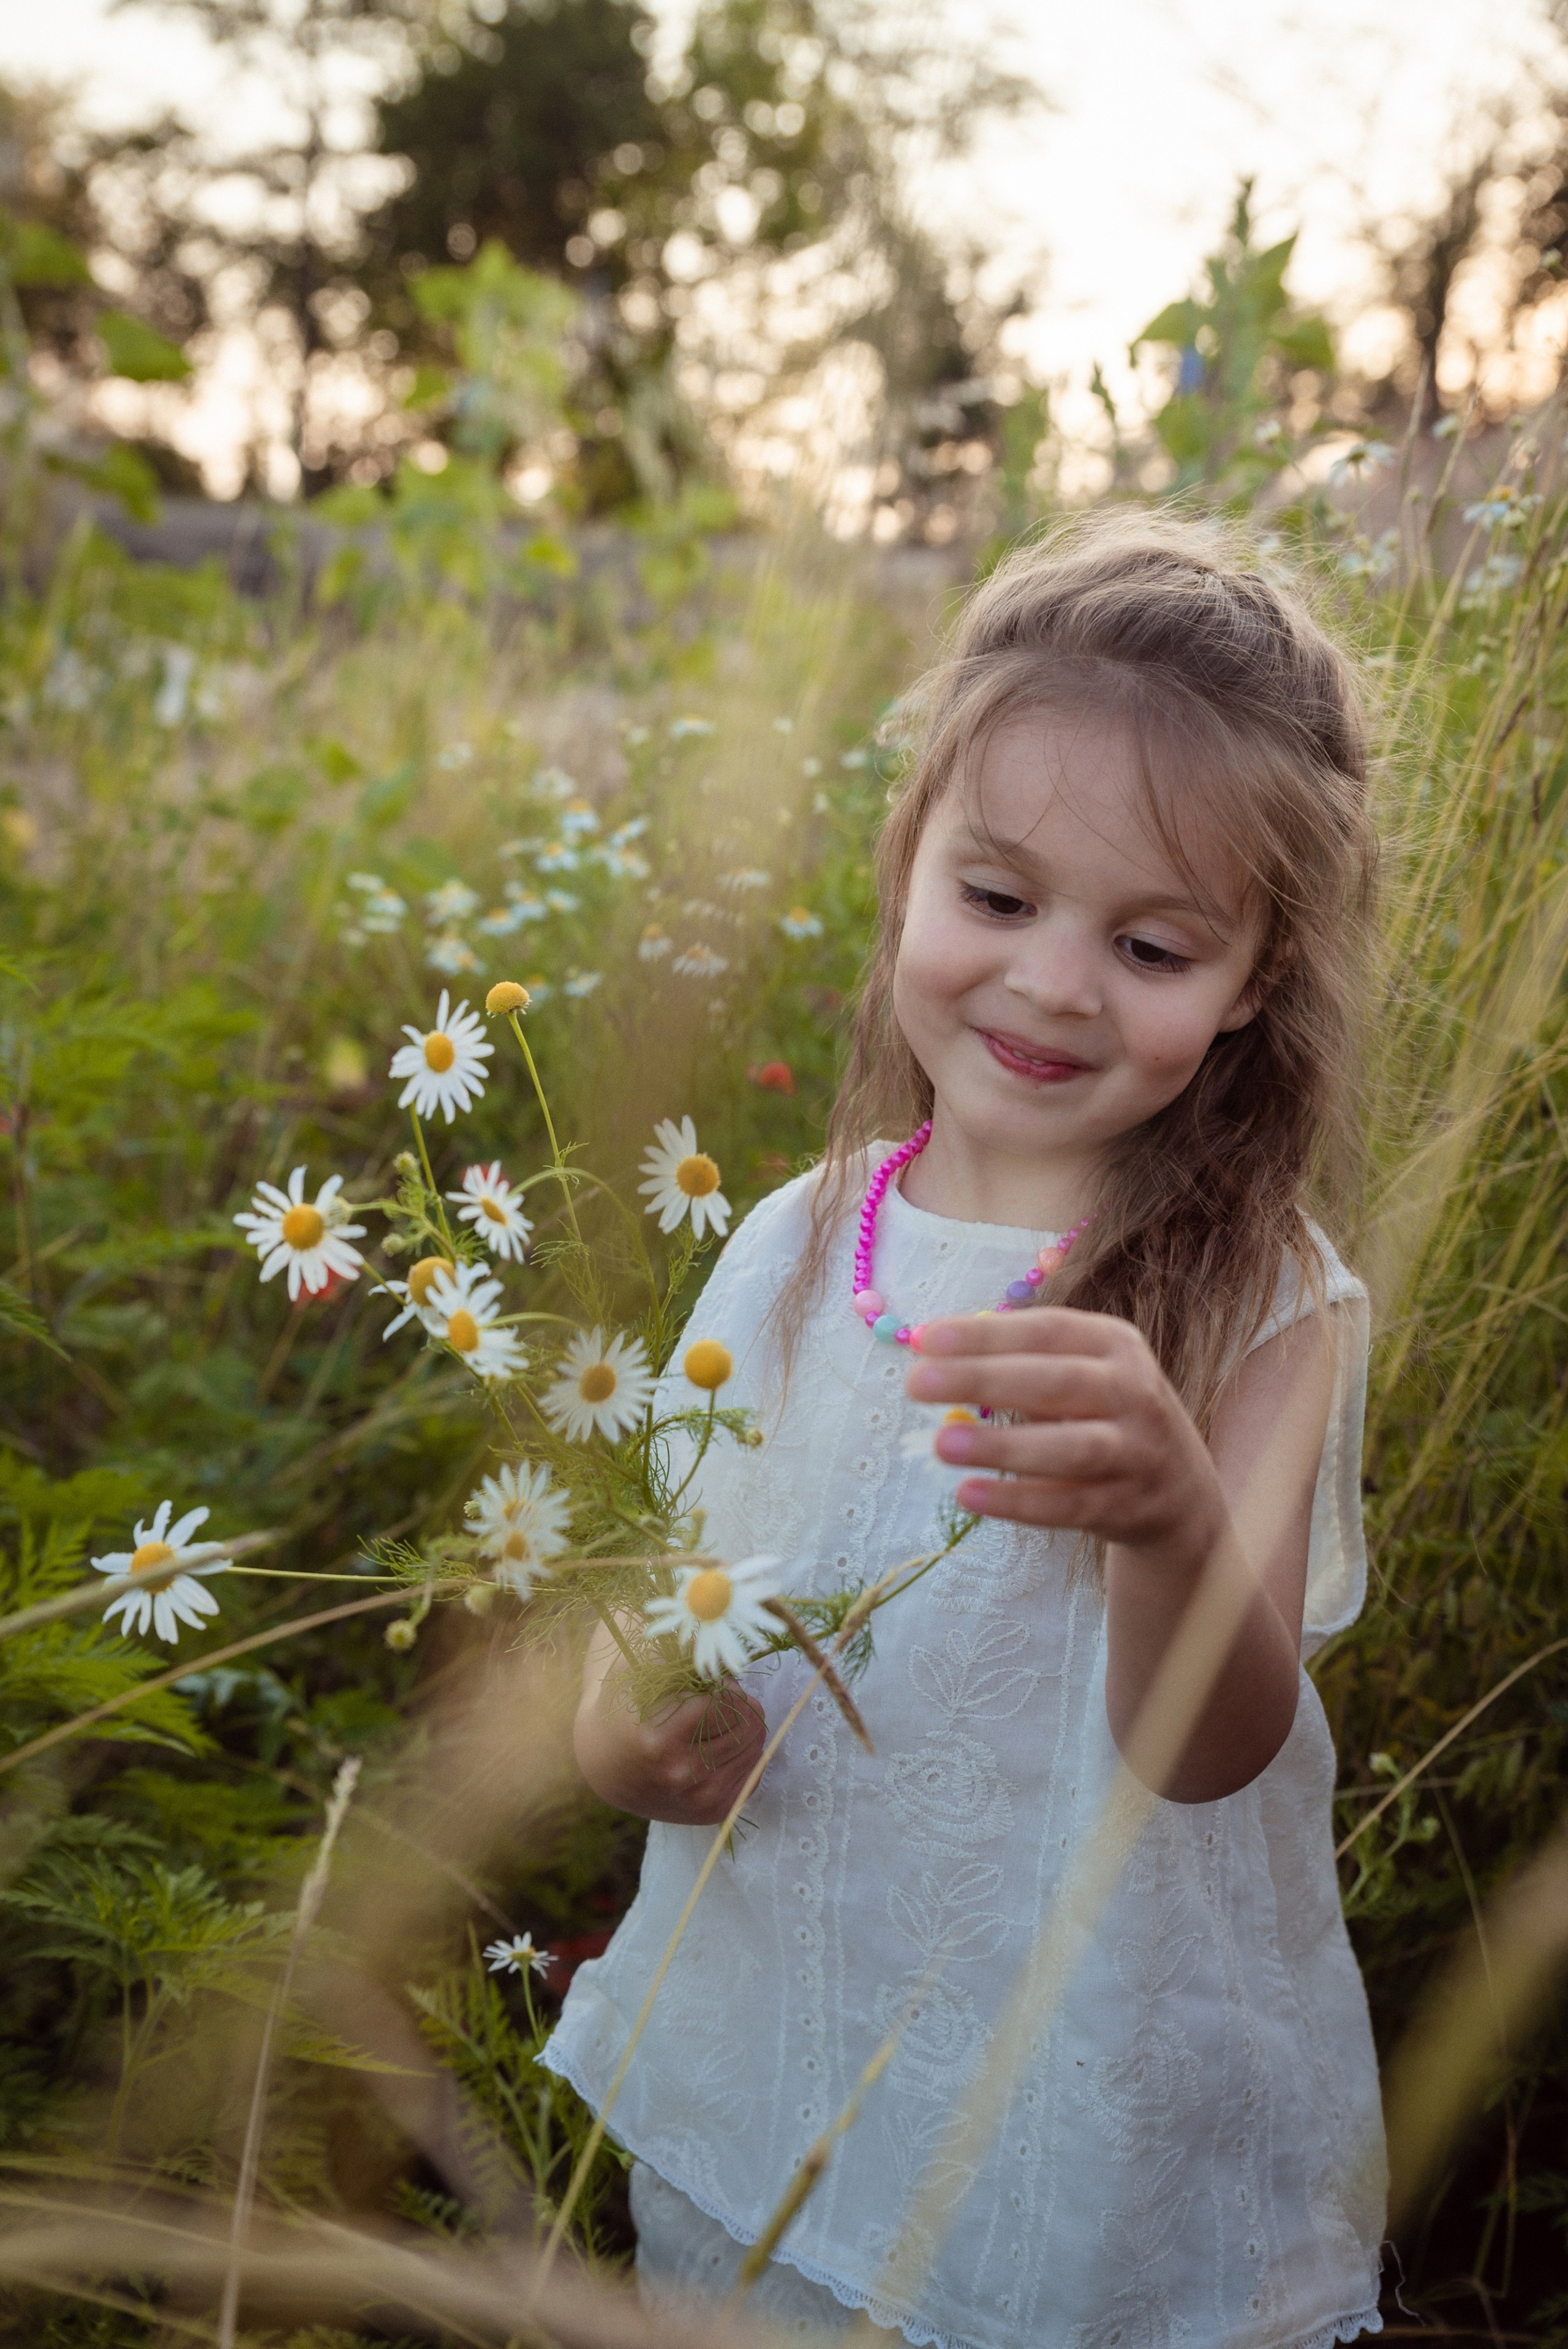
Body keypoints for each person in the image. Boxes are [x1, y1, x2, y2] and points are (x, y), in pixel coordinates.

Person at [542, 512, 1387, 2349]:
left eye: (1153, 941)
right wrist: (629, 1736)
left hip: (1061, 2082)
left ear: (1252, 975)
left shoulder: (1263, 1305)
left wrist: (1168, 1516)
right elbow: (659, 1596)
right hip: (776, 2030)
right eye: (998, 899)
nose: (1055, 981)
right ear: (907, 862)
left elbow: (1214, 1748)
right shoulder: (786, 1244)